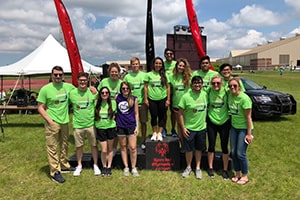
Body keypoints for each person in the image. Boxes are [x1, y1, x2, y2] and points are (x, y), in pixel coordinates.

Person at [37, 66, 76, 183]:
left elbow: (80, 91)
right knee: (52, 146)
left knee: (64, 144)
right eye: (56, 74)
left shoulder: (68, 87)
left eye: (60, 74)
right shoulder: (45, 89)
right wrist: (49, 121)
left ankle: (64, 164)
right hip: (52, 122)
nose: (58, 77)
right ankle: (55, 171)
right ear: (51, 75)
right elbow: (40, 107)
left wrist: (92, 89)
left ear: (63, 75)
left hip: (64, 121)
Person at [69, 72, 101, 177]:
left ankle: (95, 165)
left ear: (87, 81)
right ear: (77, 81)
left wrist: (96, 91)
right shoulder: (72, 93)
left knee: (94, 145)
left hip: (90, 123)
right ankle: (79, 165)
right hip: (78, 125)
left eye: (84, 80)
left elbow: (101, 100)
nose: (82, 82)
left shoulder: (92, 92)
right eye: (81, 80)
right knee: (79, 146)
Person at [178, 76, 208, 179]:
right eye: (195, 83)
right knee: (189, 150)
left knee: (199, 149)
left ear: (202, 84)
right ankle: (189, 167)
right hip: (189, 128)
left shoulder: (205, 94)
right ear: (191, 85)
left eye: (199, 83)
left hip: (201, 128)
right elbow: (180, 113)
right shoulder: (186, 97)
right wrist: (183, 128)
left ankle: (198, 168)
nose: (197, 85)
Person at [228, 77, 254, 185]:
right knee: (233, 153)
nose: (232, 87)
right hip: (234, 128)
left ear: (239, 86)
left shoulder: (244, 98)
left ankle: (245, 176)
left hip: (244, 129)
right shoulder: (230, 96)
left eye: (235, 85)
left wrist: (249, 134)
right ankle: (237, 173)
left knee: (240, 153)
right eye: (230, 86)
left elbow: (249, 117)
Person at [206, 75, 230, 179]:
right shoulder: (208, 91)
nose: (216, 85)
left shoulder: (226, 91)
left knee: (224, 147)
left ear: (222, 83)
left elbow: (239, 91)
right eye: (214, 83)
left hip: (224, 122)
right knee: (211, 145)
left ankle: (225, 170)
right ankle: (210, 168)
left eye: (218, 83)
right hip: (212, 121)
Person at [116, 82, 140, 176]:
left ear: (130, 89)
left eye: (127, 88)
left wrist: (137, 126)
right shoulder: (117, 98)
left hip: (131, 125)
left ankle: (133, 167)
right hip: (121, 125)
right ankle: (126, 167)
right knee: (123, 147)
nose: (125, 90)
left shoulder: (134, 99)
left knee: (133, 147)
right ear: (121, 90)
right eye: (123, 88)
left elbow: (136, 113)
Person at [124, 57, 148, 150]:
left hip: (142, 103)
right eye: (133, 64)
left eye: (136, 64)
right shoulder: (127, 77)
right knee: (129, 123)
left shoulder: (144, 75)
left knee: (143, 122)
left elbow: (147, 89)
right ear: (131, 65)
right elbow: (124, 90)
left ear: (139, 64)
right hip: (130, 104)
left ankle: (143, 141)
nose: (135, 66)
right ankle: (128, 142)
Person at [97, 63, 122, 151]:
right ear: (109, 72)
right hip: (105, 109)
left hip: (118, 110)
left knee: (117, 129)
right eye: (112, 72)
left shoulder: (121, 83)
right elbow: (98, 93)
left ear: (119, 72)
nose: (114, 73)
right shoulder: (104, 81)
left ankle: (113, 148)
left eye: (116, 72)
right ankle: (106, 149)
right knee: (106, 128)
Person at [144, 57, 170, 141]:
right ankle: (154, 133)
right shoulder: (148, 75)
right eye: (156, 63)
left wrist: (168, 100)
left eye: (160, 63)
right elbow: (145, 87)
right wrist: (146, 99)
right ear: (153, 64)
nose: (158, 65)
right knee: (154, 116)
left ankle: (160, 133)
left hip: (163, 98)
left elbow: (168, 87)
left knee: (162, 116)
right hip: (152, 99)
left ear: (162, 65)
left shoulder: (165, 75)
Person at [95, 86, 117, 176]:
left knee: (110, 149)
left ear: (109, 94)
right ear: (100, 94)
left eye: (106, 93)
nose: (104, 94)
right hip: (100, 128)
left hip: (110, 128)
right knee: (104, 150)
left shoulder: (113, 103)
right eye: (102, 93)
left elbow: (116, 114)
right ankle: (104, 166)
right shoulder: (96, 103)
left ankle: (109, 166)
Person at [169, 58, 191, 146]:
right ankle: (182, 145)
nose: (181, 67)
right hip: (176, 104)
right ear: (176, 66)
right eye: (179, 65)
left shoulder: (189, 76)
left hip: (188, 105)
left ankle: (189, 144)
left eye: (183, 66)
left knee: (188, 125)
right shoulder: (171, 77)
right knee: (179, 125)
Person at [164, 48, 177, 137]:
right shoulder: (162, 64)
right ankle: (163, 129)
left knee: (174, 113)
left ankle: (173, 129)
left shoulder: (176, 64)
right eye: (167, 53)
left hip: (175, 93)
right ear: (165, 55)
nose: (169, 55)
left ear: (173, 55)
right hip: (163, 93)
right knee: (163, 113)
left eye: (170, 53)